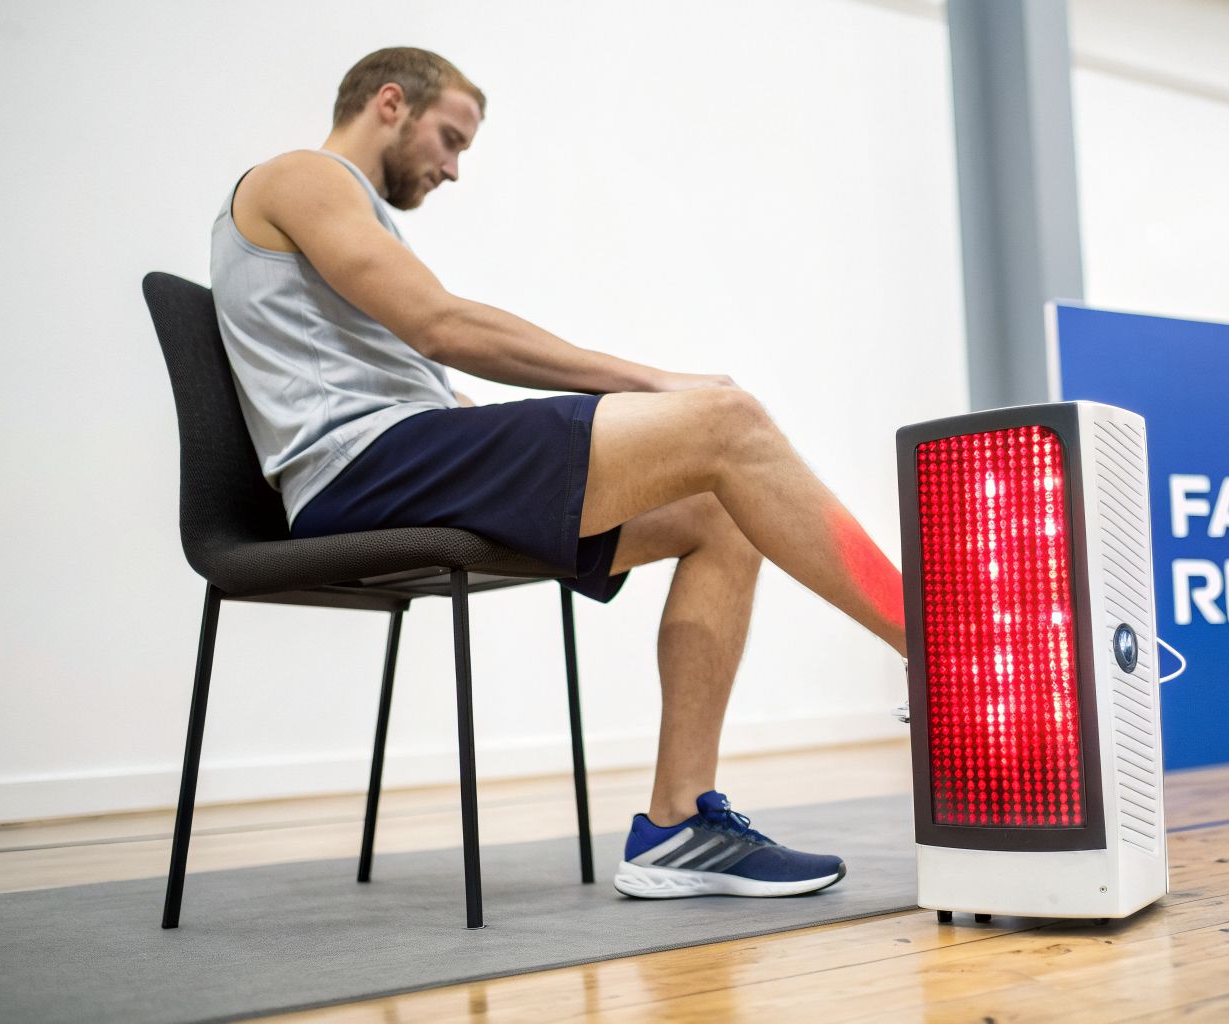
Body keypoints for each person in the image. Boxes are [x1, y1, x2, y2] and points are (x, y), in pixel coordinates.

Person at [211, 47, 909, 899]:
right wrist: (654, 383)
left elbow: (421, 366)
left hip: (402, 457)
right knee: (728, 420)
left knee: (718, 508)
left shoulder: (352, 217)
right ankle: (938, 650)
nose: (455, 169)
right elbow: (441, 325)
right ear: (389, 103)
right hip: (362, 471)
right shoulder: (301, 178)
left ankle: (679, 825)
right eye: (450, 138)